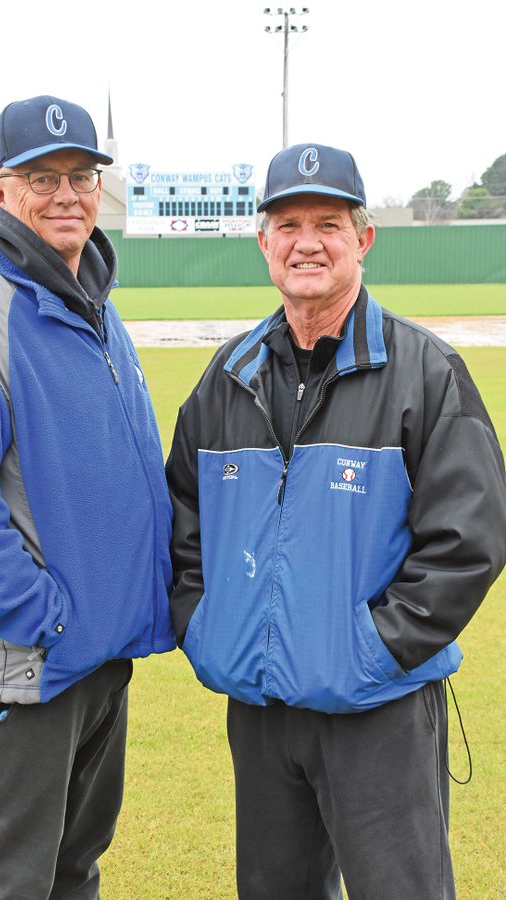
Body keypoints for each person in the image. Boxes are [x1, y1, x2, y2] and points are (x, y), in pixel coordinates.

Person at [166, 142, 506, 899]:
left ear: (364, 239)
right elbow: (181, 524)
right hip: (262, 711)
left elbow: (468, 540)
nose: (307, 242)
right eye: (287, 224)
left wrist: (372, 649)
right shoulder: (226, 378)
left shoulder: (426, 372)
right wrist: (208, 628)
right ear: (264, 243)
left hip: (376, 706)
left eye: (328, 222)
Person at [0, 95, 175, 898]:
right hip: (23, 671)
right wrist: (46, 618)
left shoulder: (94, 306)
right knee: (4, 885)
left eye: (82, 175)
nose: (66, 194)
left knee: (70, 873)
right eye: (41, 177)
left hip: (95, 663)